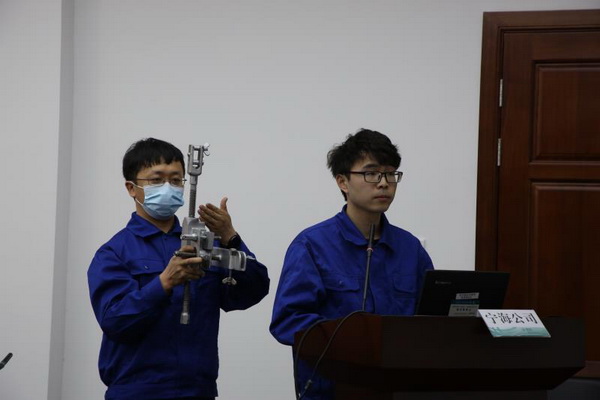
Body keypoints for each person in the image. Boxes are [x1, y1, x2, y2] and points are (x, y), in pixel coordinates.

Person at [88, 138, 269, 400]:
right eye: (156, 180)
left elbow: (252, 292)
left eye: (175, 180)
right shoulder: (114, 253)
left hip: (198, 390)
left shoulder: (203, 245)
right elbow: (115, 322)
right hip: (137, 391)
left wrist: (230, 237)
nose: (168, 187)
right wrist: (163, 283)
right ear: (131, 188)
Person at [270, 129, 434, 399]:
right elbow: (288, 321)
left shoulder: (410, 248)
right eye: (371, 173)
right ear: (342, 182)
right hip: (333, 389)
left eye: (390, 174)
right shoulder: (312, 245)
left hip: (397, 389)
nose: (384, 183)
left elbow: (432, 318)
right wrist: (352, 343)